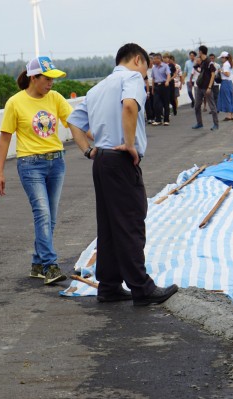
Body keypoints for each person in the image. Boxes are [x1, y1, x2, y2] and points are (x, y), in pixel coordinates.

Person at [66, 43, 178, 306]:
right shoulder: (132, 78)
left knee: (109, 226)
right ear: (138, 60)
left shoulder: (97, 88)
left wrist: (87, 151)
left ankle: (109, 286)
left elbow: (73, 121)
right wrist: (129, 144)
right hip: (121, 158)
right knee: (131, 222)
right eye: (146, 70)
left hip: (102, 160)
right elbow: (129, 106)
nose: (145, 76)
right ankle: (142, 287)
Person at [0, 56, 71, 285]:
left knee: (52, 217)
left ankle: (38, 263)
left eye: (52, 79)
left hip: (56, 162)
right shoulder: (15, 103)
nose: (51, 84)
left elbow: (74, 122)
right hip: (30, 164)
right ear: (33, 78)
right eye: (46, 79)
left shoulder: (56, 98)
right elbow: (5, 138)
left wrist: (95, 140)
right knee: (43, 214)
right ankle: (50, 266)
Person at [192, 45, 218, 131]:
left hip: (207, 87)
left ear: (201, 52)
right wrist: (196, 65)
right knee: (197, 106)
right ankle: (199, 123)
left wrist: (209, 87)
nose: (198, 53)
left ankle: (216, 124)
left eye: (199, 51)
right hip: (200, 87)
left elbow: (213, 74)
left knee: (212, 106)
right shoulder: (202, 62)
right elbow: (201, 71)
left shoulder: (208, 62)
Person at [151, 53, 171, 126]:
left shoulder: (165, 66)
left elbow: (168, 75)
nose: (154, 60)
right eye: (153, 59)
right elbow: (153, 78)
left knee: (166, 103)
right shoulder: (154, 68)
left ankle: (166, 120)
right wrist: (152, 89)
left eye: (155, 59)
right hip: (156, 86)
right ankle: (158, 119)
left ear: (159, 59)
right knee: (156, 104)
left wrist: (167, 81)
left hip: (164, 86)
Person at [217, 51, 233, 121]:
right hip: (230, 82)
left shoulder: (225, 64)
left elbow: (227, 74)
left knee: (226, 98)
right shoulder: (230, 63)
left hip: (225, 82)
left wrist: (221, 71)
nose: (221, 59)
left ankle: (228, 115)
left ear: (224, 58)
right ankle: (232, 114)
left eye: (221, 58)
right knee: (231, 98)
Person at [145, 53, 155, 124]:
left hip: (154, 86)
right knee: (147, 103)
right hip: (146, 87)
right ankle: (149, 117)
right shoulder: (144, 69)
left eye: (150, 60)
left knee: (154, 102)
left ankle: (154, 117)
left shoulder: (155, 68)